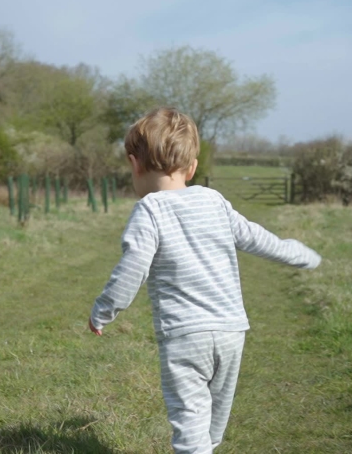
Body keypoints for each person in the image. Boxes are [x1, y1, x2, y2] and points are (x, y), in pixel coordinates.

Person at [88, 107, 322, 453]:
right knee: (211, 427)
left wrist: (103, 311)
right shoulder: (214, 201)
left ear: (134, 164)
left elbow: (132, 267)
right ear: (192, 167)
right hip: (231, 333)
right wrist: (300, 254)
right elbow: (257, 238)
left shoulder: (149, 210)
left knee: (191, 424)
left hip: (184, 337)